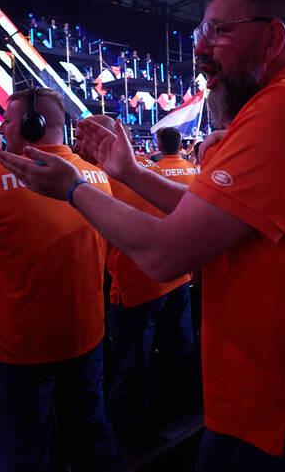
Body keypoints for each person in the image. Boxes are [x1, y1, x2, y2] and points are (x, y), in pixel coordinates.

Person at [0, 0, 285, 470]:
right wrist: (131, 174)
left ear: (273, 37)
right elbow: (208, 211)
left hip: (280, 414)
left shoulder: (282, 109)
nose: (202, 48)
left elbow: (165, 253)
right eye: (202, 32)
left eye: (220, 31)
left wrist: (70, 188)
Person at [0, 88, 116, 472]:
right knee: (90, 435)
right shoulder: (97, 177)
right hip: (86, 336)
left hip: (20, 347)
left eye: (7, 122)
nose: (2, 130)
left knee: (19, 450)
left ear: (30, 125)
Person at [77, 115, 197, 449]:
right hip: (175, 278)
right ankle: (184, 422)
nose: (76, 145)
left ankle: (133, 444)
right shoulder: (149, 168)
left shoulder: (99, 177)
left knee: (131, 368)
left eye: (82, 137)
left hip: (135, 285)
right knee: (178, 354)